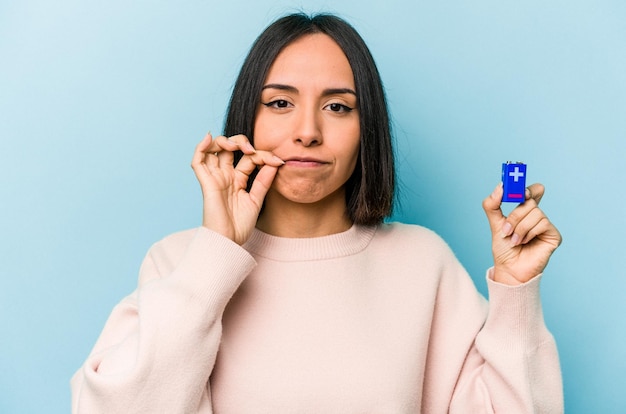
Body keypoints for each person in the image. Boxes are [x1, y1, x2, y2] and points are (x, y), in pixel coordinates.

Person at [71, 12, 563, 413]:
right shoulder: (179, 261)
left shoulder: (423, 262)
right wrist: (215, 253)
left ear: (366, 131)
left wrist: (516, 292)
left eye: (338, 107)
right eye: (280, 102)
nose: (307, 131)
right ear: (249, 120)